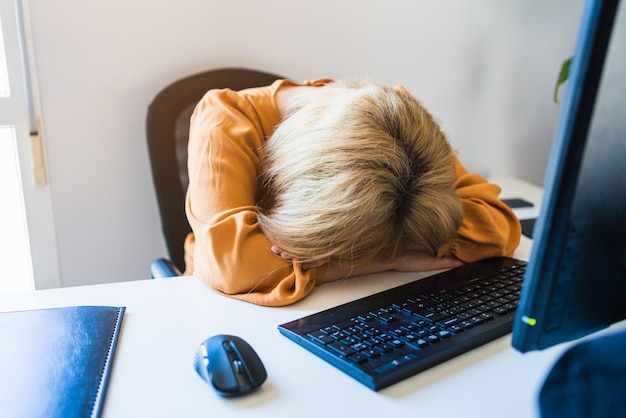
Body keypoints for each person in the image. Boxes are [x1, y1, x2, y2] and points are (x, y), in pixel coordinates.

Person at [183, 77, 521, 306]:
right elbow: (234, 267)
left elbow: (495, 231)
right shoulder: (224, 117)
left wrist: (340, 258)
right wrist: (390, 260)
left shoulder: (400, 121)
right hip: (224, 313)